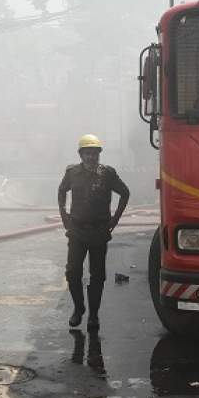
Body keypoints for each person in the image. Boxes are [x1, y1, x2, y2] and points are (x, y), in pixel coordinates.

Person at [57, 134, 130, 331]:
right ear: (81, 154)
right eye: (87, 153)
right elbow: (62, 190)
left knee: (97, 275)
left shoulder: (107, 174)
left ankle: (93, 315)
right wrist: (64, 216)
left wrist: (115, 220)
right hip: (77, 230)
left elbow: (125, 193)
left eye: (94, 153)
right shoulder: (72, 173)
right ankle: (79, 308)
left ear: (99, 154)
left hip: (99, 230)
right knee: (72, 272)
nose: (91, 157)